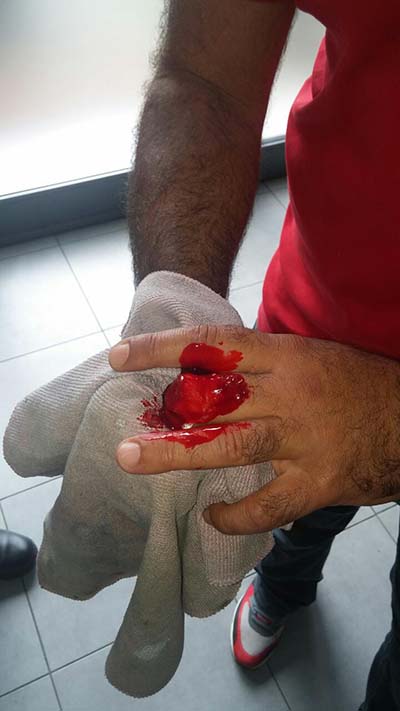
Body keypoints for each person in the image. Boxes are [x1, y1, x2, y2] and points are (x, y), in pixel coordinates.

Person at [108, 1, 400, 708]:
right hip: (312, 321)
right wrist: (180, 306)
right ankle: (281, 588)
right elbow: (204, 82)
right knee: (292, 518)